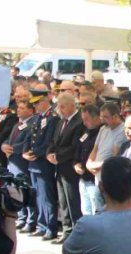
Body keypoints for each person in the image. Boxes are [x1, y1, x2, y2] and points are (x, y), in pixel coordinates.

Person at [48, 93, 85, 245]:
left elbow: (74, 146)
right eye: (58, 106)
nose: (60, 110)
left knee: (73, 201)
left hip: (69, 168)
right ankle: (67, 230)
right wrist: (49, 153)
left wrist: (58, 156)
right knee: (63, 201)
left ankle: (76, 233)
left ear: (72, 105)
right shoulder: (61, 122)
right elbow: (54, 141)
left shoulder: (78, 122)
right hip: (60, 168)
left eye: (62, 106)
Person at [24, 86, 60, 241]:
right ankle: (42, 224)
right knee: (38, 195)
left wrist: (35, 153)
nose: (36, 106)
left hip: (43, 162)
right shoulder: (39, 118)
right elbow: (31, 137)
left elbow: (49, 141)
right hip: (34, 163)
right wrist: (26, 151)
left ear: (46, 100)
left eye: (38, 103)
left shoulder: (52, 118)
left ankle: (50, 227)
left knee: (47, 196)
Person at [3, 100, 39, 232]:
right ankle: (22, 217)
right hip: (12, 163)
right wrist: (4, 146)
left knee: (26, 191)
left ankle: (31, 220)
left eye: (22, 108)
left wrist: (11, 149)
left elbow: (26, 143)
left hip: (22, 163)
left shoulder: (33, 124)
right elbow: (8, 139)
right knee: (16, 191)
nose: (18, 110)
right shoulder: (17, 124)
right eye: (18, 107)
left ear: (30, 110)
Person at [75, 104, 104, 215]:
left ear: (96, 118)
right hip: (83, 176)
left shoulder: (102, 131)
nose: (84, 123)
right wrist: (75, 163)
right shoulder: (86, 131)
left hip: (94, 177)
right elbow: (78, 147)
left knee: (96, 209)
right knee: (86, 209)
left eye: (87, 119)